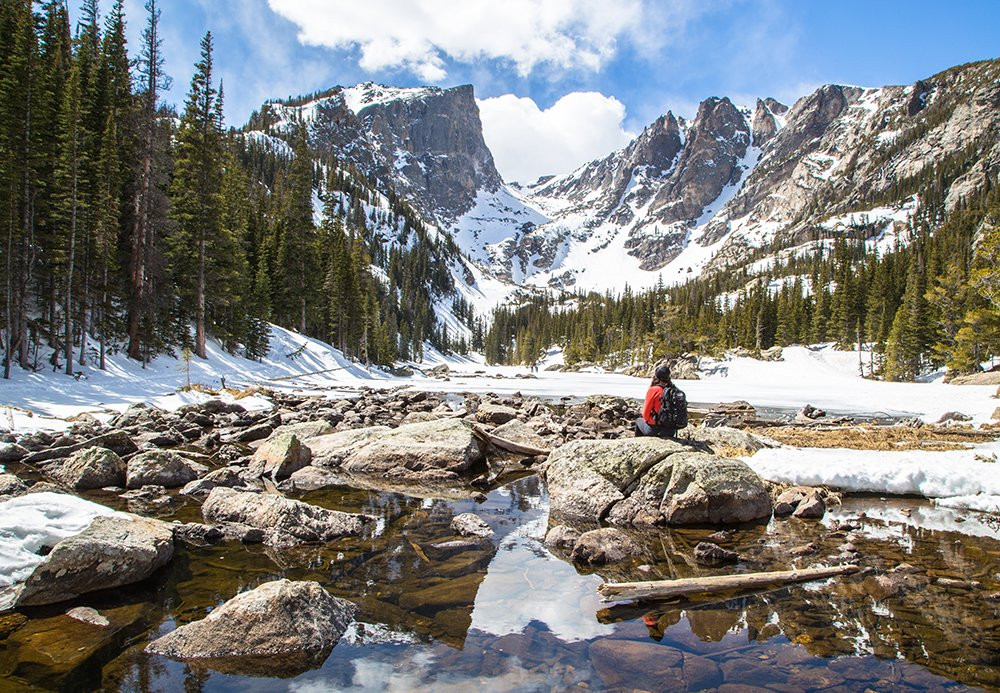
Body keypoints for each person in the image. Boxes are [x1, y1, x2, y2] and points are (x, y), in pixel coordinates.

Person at [635, 364, 677, 438]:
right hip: (671, 430)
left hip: (654, 429)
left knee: (638, 421)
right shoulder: (674, 390)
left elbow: (645, 415)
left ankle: (639, 443)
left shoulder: (654, 390)